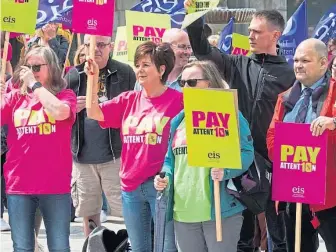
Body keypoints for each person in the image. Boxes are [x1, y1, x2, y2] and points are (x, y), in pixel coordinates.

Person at [184, 1, 296, 251]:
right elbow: (202, 50)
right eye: (250, 30)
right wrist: (194, 15)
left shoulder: (290, 74)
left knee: (278, 235)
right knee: (241, 236)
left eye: (257, 31)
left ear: (275, 35)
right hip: (238, 161)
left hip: (273, 163)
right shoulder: (237, 64)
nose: (250, 35)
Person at [86, 41, 183, 252]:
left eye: (146, 65)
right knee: (139, 248)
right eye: (137, 64)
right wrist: (92, 78)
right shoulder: (128, 99)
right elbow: (93, 112)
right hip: (130, 188)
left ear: (162, 69)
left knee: (166, 248)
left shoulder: (179, 101)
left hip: (161, 186)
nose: (139, 70)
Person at [154, 60, 254, 252]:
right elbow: (170, 160)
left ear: (210, 82)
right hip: (183, 211)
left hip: (219, 210)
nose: (185, 87)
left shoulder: (230, 113)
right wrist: (164, 176)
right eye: (182, 83)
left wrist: (226, 171)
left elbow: (247, 152)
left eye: (192, 82)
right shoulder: (179, 120)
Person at [267, 38, 336, 252]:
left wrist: (333, 123)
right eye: (295, 60)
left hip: (330, 194)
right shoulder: (285, 98)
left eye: (305, 60)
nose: (298, 65)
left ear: (324, 63)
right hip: (293, 191)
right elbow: (272, 138)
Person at [0, 45, 76, 252]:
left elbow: (60, 113)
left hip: (54, 184)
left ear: (51, 68)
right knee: (22, 247)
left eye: (36, 67)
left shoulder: (64, 95)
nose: (31, 72)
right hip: (19, 184)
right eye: (27, 67)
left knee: (59, 247)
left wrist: (34, 85)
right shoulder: (15, 97)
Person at [65, 34, 136, 236]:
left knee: (125, 211)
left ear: (110, 46)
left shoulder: (125, 72)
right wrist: (71, 107)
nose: (95, 49)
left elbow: (134, 106)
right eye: (89, 45)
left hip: (116, 154)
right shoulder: (74, 74)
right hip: (82, 156)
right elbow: (62, 109)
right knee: (88, 213)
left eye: (101, 45)